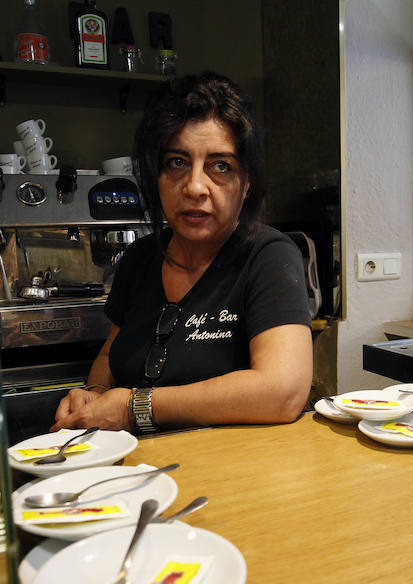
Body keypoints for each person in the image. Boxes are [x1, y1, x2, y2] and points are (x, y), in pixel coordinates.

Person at [51, 72, 313, 433]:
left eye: (220, 166)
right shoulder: (140, 258)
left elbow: (283, 392)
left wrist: (133, 408)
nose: (194, 187)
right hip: (137, 473)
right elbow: (112, 356)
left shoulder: (267, 256)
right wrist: (92, 393)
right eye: (177, 162)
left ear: (247, 182)